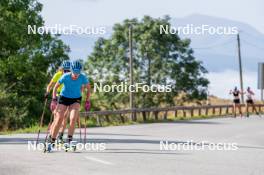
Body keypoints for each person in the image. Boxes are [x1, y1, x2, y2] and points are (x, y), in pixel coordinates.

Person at [48, 60, 91, 148]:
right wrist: (54, 99)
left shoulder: (83, 77)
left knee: (73, 118)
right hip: (64, 97)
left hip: (76, 99)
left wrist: (87, 100)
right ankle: (52, 140)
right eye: (74, 72)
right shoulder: (65, 76)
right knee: (59, 118)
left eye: (78, 72)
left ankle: (69, 141)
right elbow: (55, 87)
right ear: (71, 70)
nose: (76, 74)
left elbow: (88, 89)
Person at [45, 60, 71, 143]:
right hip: (57, 96)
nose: (67, 71)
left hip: (67, 96)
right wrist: (47, 92)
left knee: (65, 117)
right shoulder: (58, 75)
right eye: (65, 70)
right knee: (57, 117)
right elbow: (50, 85)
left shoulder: (72, 76)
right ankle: (51, 135)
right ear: (62, 69)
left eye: (68, 70)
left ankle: (60, 136)